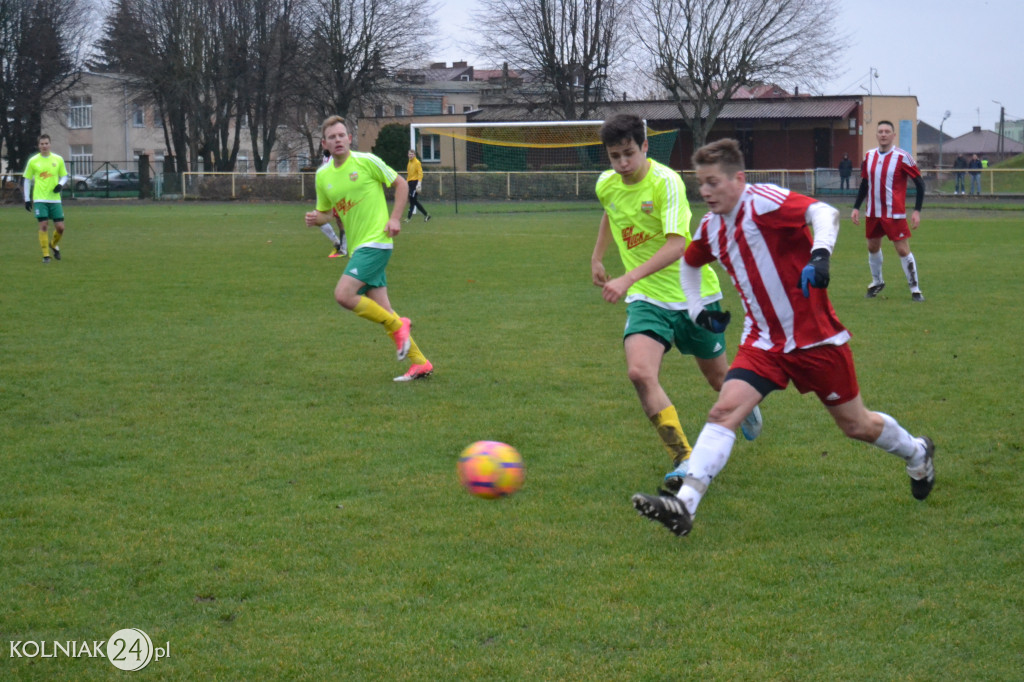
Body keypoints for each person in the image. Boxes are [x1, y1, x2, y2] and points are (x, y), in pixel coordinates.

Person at [631, 138, 935, 537]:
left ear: (738, 179)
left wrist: (820, 254)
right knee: (723, 412)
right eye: (700, 184)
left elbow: (823, 212)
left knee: (856, 425)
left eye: (712, 183)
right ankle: (684, 506)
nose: (704, 192)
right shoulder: (710, 227)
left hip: (815, 340)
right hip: (763, 344)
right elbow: (689, 266)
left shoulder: (762, 202)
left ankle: (917, 453)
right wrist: (696, 309)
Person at [591, 114, 762, 493]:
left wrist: (626, 276)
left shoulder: (665, 182)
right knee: (639, 373)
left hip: (693, 296)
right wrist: (598, 257)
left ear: (645, 147)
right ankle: (683, 456)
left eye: (629, 154)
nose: (621, 164)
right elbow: (610, 211)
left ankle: (745, 403)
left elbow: (677, 245)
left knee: (719, 379)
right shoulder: (607, 183)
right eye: (614, 156)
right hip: (646, 300)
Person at [305, 116, 433, 382]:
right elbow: (326, 213)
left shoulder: (367, 161)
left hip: (377, 242)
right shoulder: (323, 176)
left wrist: (395, 217)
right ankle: (420, 362)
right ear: (324, 144)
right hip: (359, 248)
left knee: (343, 294)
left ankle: (400, 326)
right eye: (332, 137)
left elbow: (400, 184)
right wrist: (314, 218)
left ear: (349, 138)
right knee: (384, 310)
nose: (338, 140)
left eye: (342, 135)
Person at [850, 120, 927, 302]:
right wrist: (856, 207)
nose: (883, 134)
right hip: (873, 212)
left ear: (893, 136)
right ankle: (877, 282)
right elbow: (865, 184)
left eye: (887, 131)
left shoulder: (902, 157)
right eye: (880, 131)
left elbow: (920, 183)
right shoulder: (869, 156)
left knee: (902, 250)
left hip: (895, 213)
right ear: (876, 135)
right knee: (872, 246)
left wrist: (917, 210)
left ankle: (915, 289)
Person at [23, 134, 69, 264]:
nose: (44, 146)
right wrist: (27, 199)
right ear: (38, 145)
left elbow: (64, 176)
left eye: (46, 143)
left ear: (50, 144)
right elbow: (27, 180)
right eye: (41, 144)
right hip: (40, 199)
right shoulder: (33, 161)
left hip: (55, 199)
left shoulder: (58, 159)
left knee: (60, 228)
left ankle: (53, 245)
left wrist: (60, 185)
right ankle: (46, 255)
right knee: (43, 225)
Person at [317, 149, 348, 258]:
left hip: (337, 192)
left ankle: (343, 249)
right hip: (327, 193)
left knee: (341, 220)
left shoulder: (337, 157)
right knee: (318, 218)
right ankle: (337, 242)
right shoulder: (325, 157)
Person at [404, 149, 431, 223]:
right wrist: (407, 183)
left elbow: (420, 173)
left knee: (412, 199)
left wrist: (419, 183)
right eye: (409, 154)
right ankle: (426, 215)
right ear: (408, 155)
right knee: (413, 201)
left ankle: (409, 218)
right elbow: (409, 175)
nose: (411, 155)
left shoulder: (417, 162)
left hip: (415, 183)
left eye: (412, 154)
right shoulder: (409, 163)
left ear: (414, 155)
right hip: (410, 183)